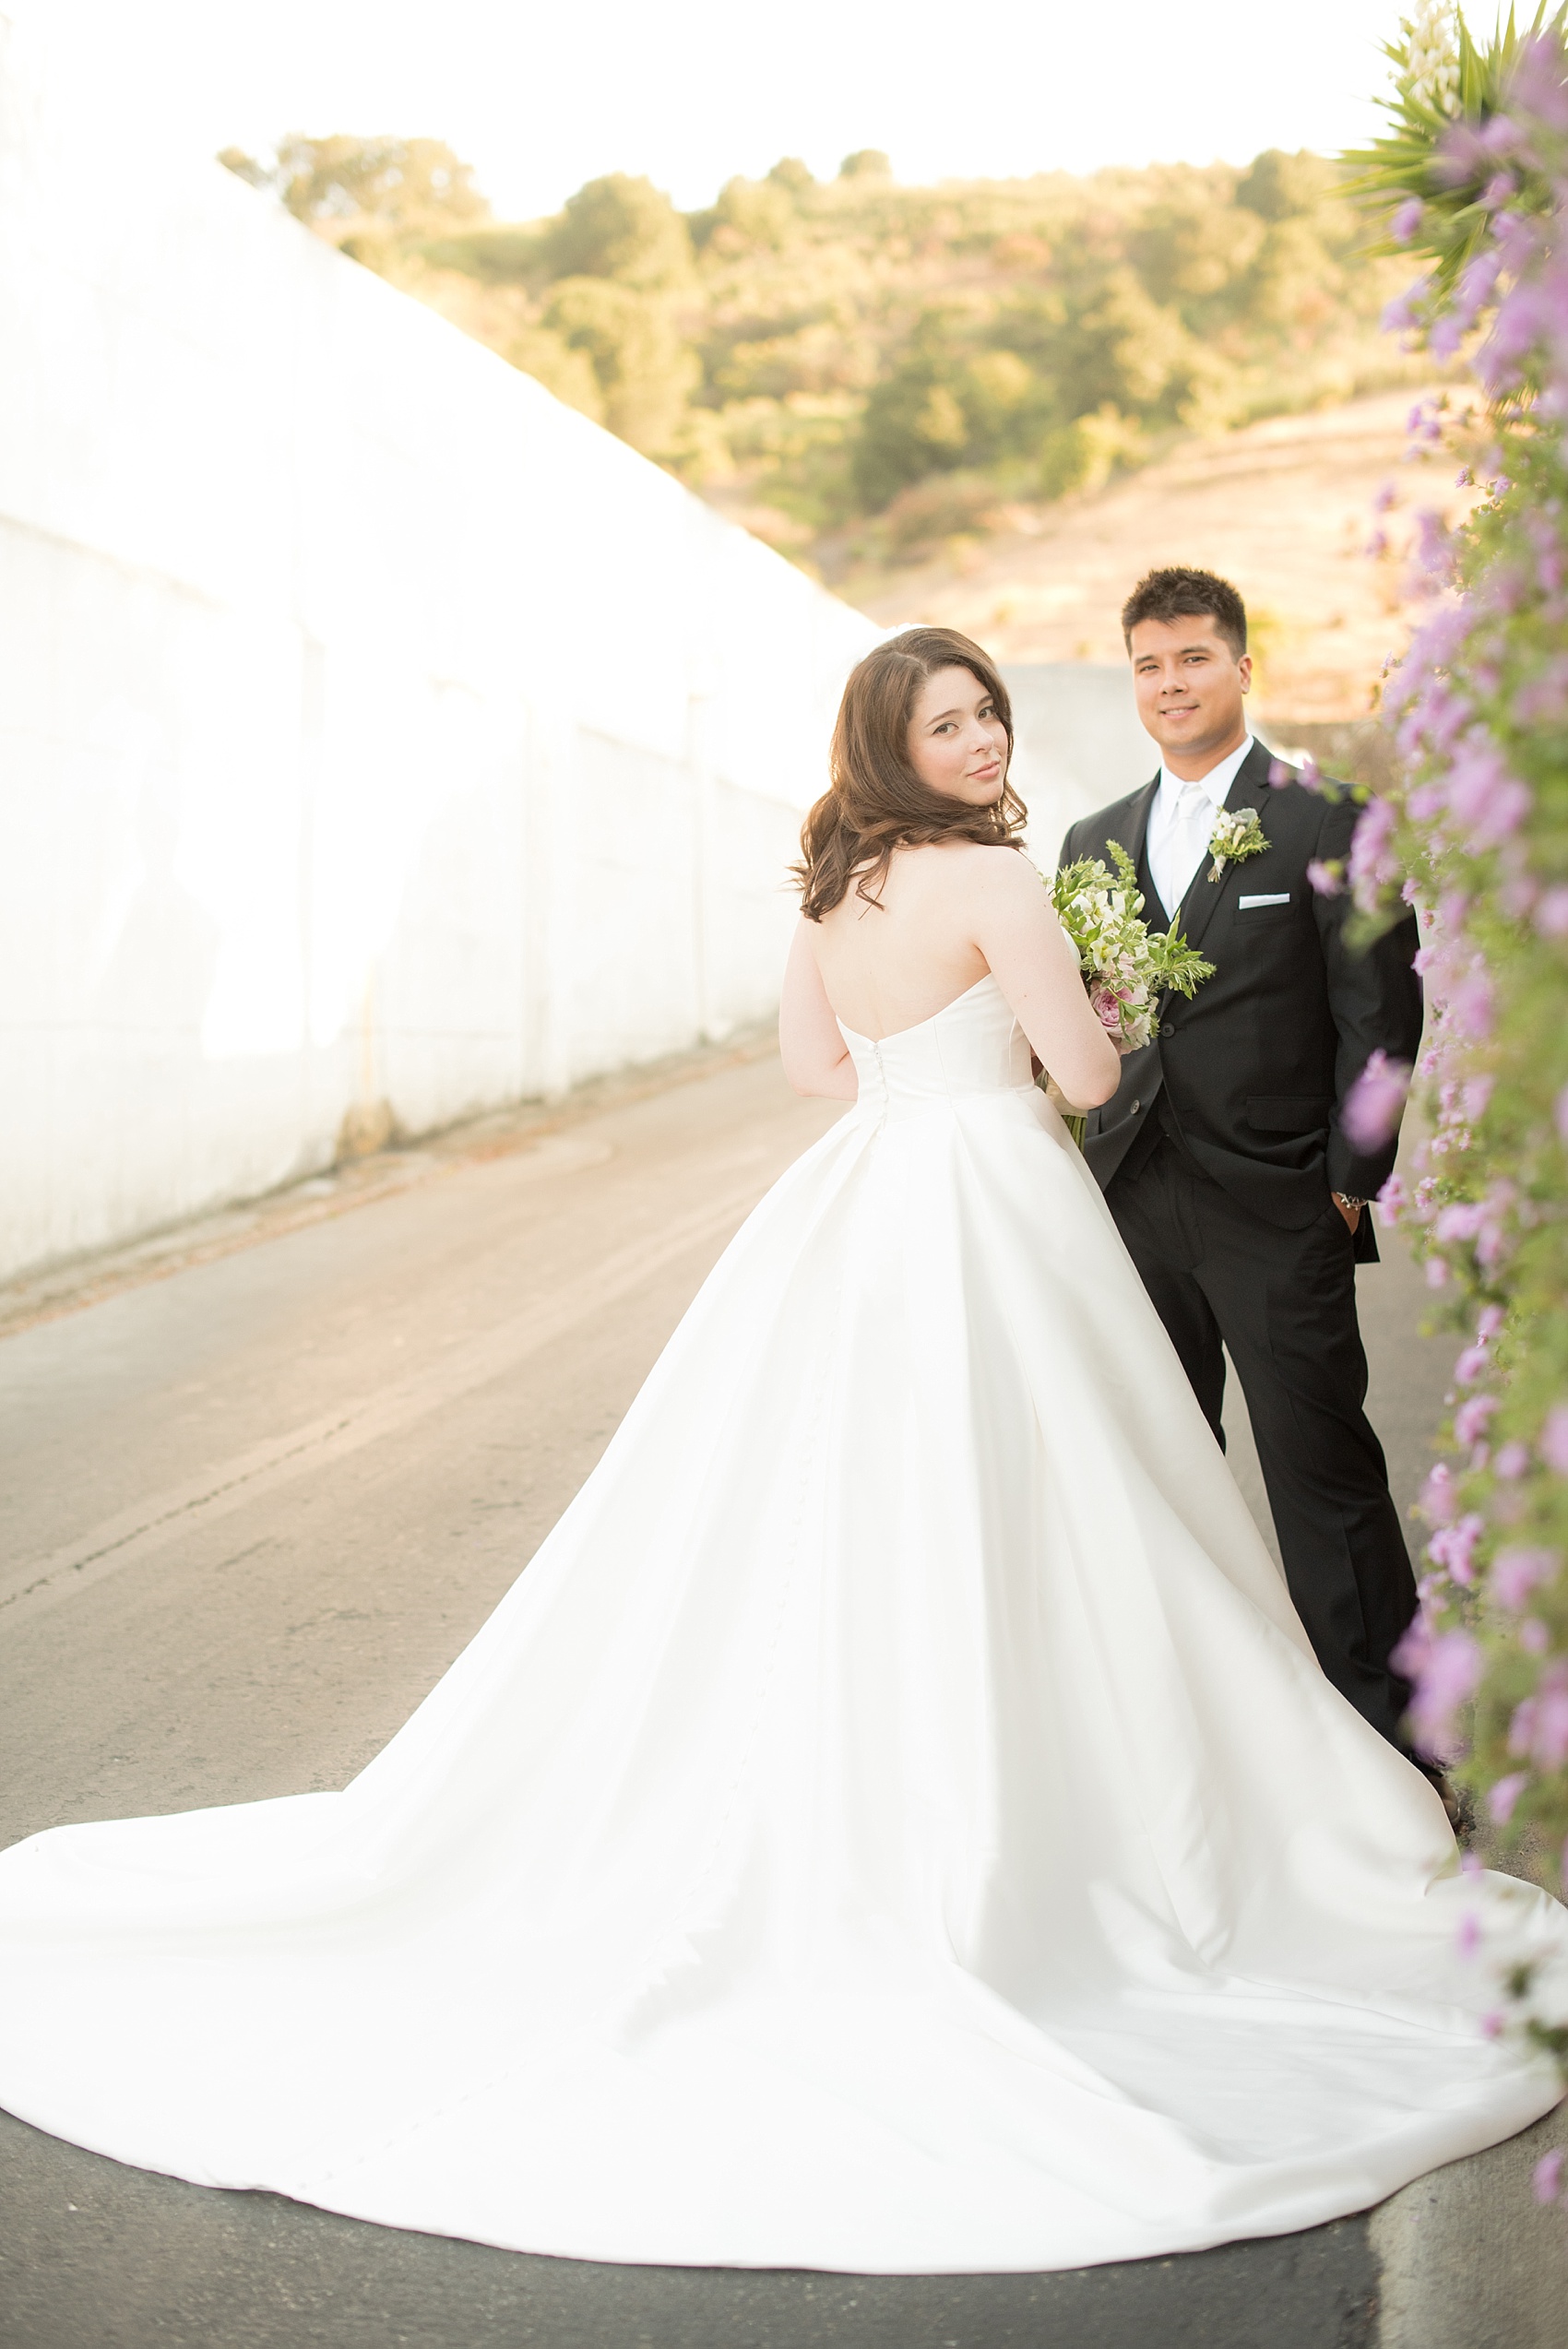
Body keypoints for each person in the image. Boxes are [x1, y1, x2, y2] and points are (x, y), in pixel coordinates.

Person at [0, 626, 1561, 2277]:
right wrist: (1070, 1021)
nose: (977, 738)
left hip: (869, 1197)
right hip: (994, 1196)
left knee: (841, 1502)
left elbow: (815, 1067)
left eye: (986, 714)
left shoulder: (840, 887)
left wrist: (931, 1069)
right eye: (949, 719)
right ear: (898, 740)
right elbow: (1096, 1073)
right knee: (1072, 1506)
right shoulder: (997, 877)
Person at [1059, 568, 1427, 1767]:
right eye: (1150, 666)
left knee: (1322, 1477)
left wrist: (1348, 1178)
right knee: (1160, 1477)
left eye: (1194, 659)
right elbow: (1092, 1022)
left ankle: (1398, 1751)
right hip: (1135, 1208)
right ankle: (1197, 1756)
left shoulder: (1328, 816)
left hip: (1280, 1208)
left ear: (1242, 667)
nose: (1172, 684)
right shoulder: (1093, 842)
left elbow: (1381, 1012)